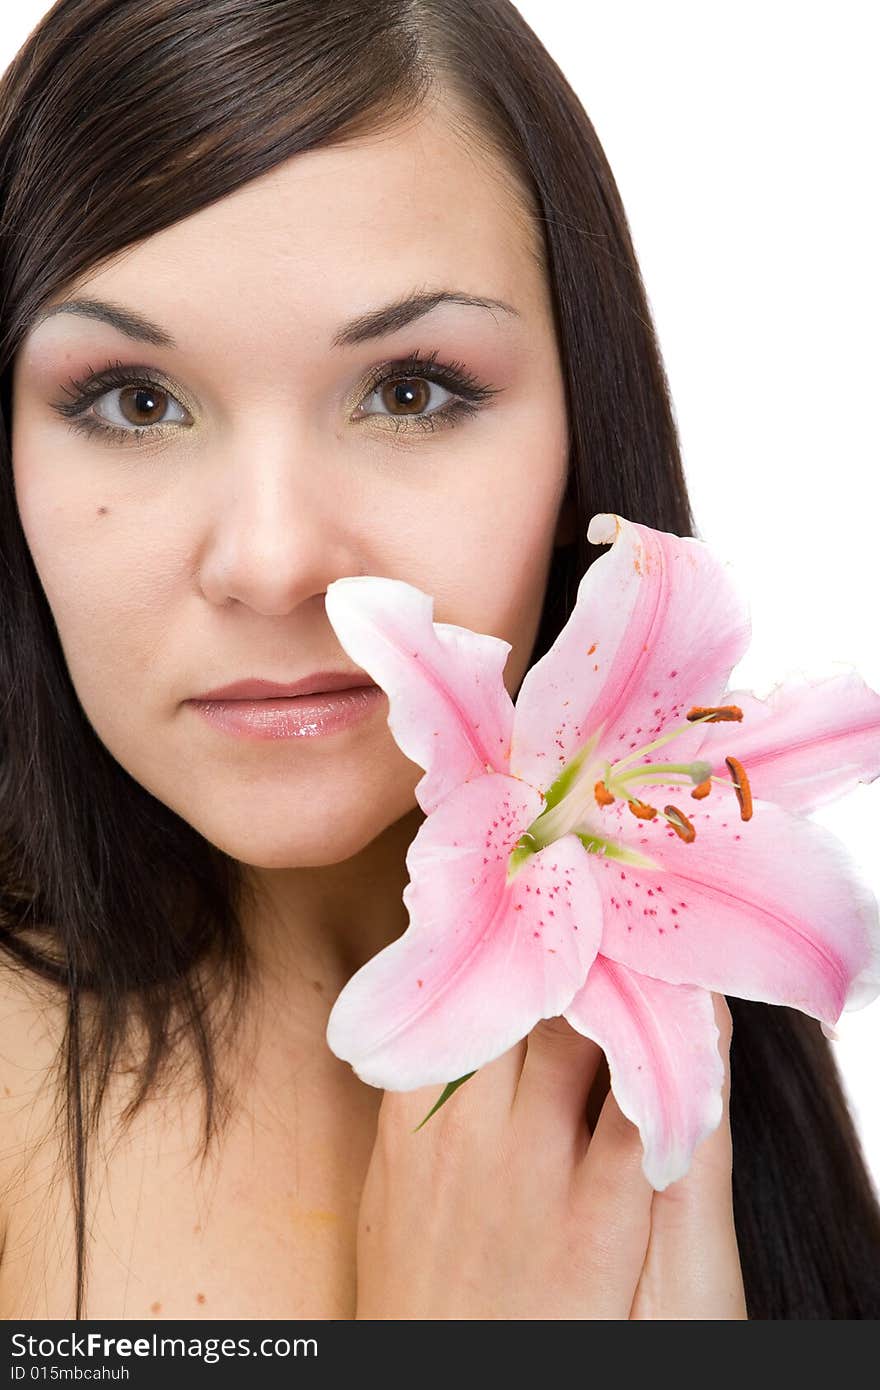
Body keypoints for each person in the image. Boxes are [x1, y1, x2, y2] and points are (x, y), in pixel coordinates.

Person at [0, 0, 877, 1322]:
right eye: (135, 400)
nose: (276, 559)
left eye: (409, 389)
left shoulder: (689, 1039)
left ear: (587, 412)